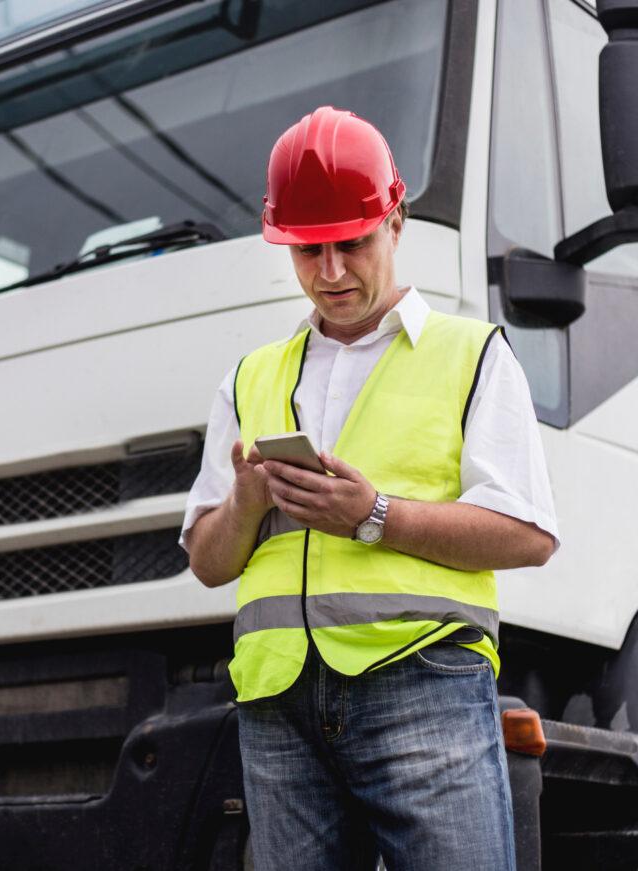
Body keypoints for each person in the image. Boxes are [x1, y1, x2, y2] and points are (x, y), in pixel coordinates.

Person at [180, 106, 558, 871]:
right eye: (308, 250)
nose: (330, 273)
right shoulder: (250, 377)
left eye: (350, 244)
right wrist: (248, 502)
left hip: (421, 679)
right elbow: (208, 561)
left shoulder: (472, 354)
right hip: (276, 703)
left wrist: (374, 515)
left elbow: (529, 534)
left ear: (395, 219)